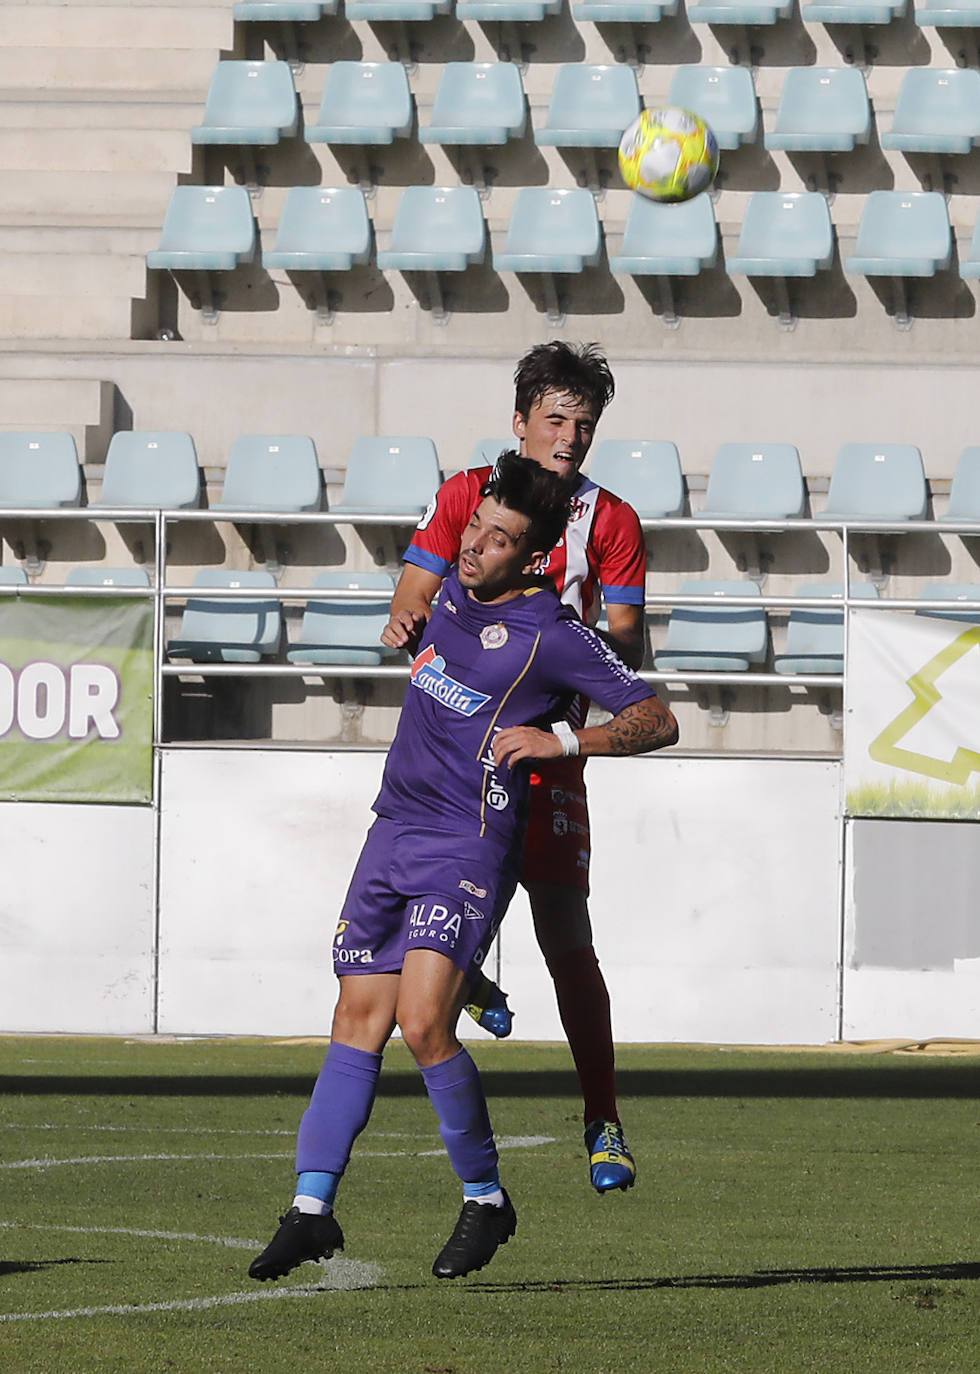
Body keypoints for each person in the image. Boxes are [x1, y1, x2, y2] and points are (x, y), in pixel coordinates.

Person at [248, 455, 678, 1284]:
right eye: (478, 525)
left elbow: (657, 719)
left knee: (421, 1023)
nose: (476, 544)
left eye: (500, 538)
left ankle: (486, 1200)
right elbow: (416, 600)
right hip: (393, 828)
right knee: (354, 1019)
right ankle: (310, 1210)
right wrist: (400, 624)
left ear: (533, 557)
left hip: (468, 841)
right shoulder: (451, 588)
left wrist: (563, 740)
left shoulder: (551, 635)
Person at [382, 341, 649, 1194]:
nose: (571, 438)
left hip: (547, 748)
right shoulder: (466, 495)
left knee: (568, 934)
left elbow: (630, 641)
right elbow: (412, 595)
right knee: (438, 902)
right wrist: (410, 624)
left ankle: (603, 1120)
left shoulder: (610, 520)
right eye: (557, 419)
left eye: (585, 423)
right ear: (521, 422)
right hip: (457, 745)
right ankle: (468, 983)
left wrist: (558, 642)